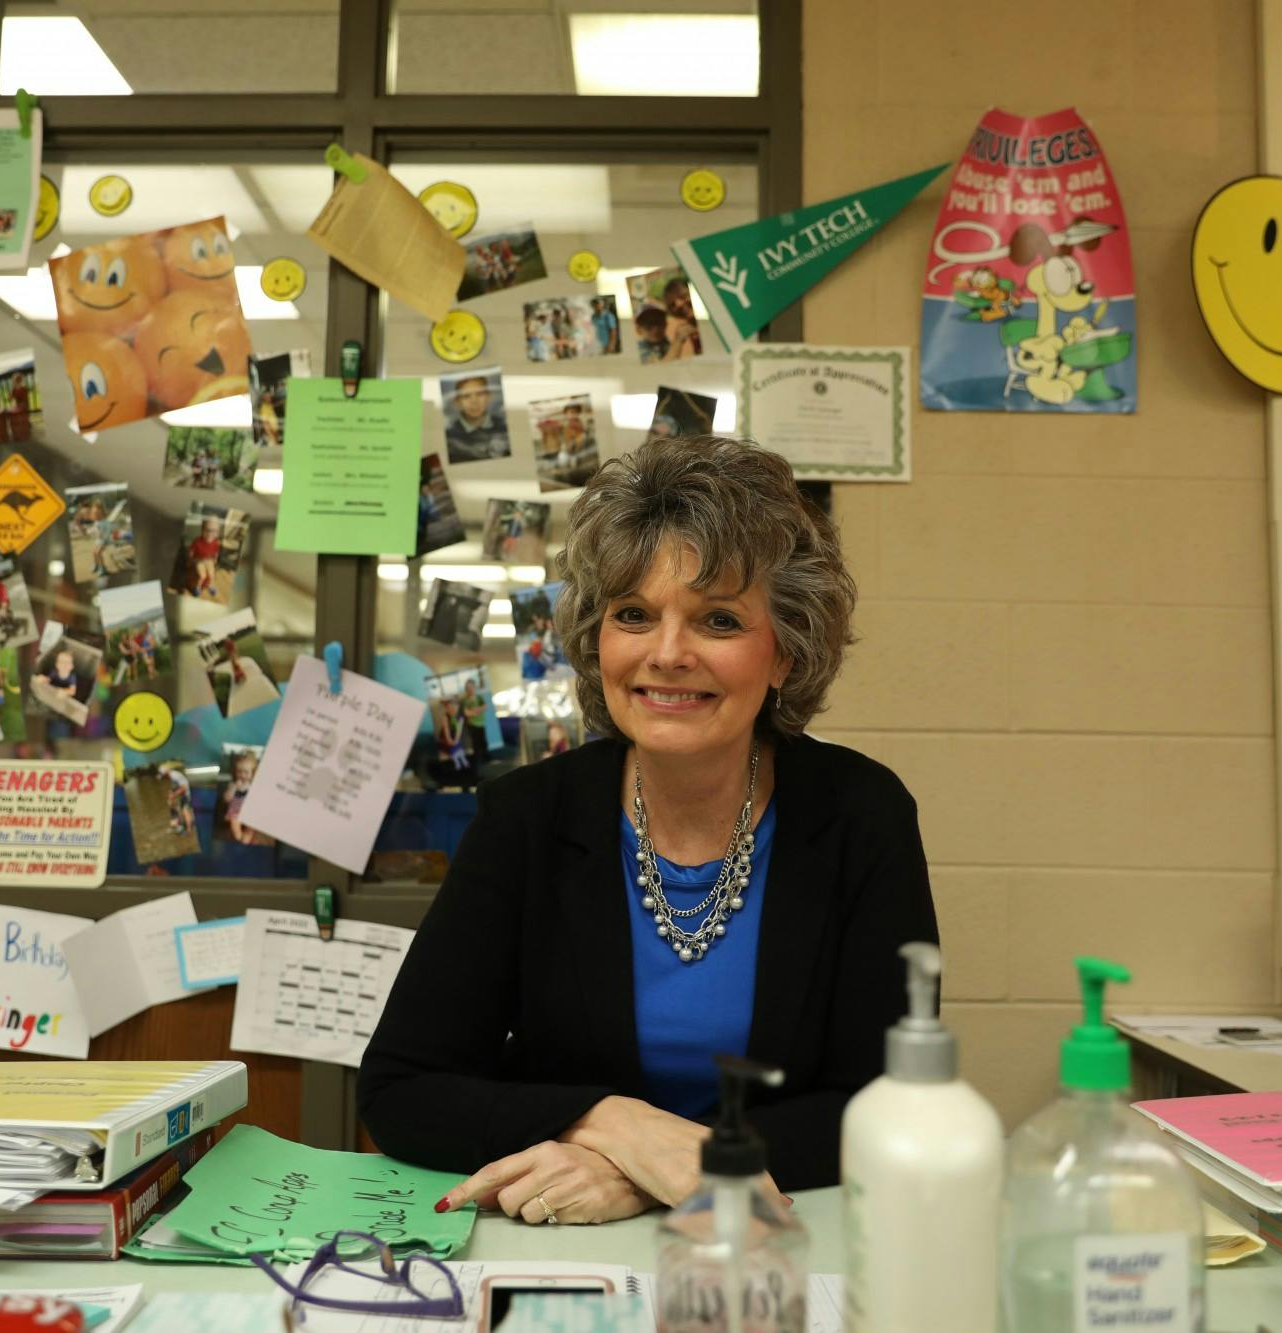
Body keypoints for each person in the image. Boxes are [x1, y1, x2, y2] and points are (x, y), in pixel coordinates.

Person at [359, 434, 934, 1225]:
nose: (667, 653)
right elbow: (401, 1088)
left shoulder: (861, 816)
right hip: (564, 1250)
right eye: (634, 614)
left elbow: (888, 1104)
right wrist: (615, 1125)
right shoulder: (525, 818)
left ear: (786, 655)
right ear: (600, 642)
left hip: (782, 1239)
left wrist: (660, 1171)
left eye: (719, 620)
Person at [445, 376, 508, 461]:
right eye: (466, 396)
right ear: (457, 402)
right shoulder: (449, 436)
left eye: (479, 394)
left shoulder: (505, 427)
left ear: (489, 396)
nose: (474, 401)